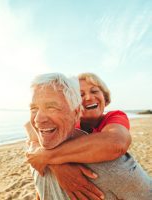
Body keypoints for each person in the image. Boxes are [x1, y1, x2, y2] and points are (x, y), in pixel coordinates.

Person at [26, 72, 152, 200]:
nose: (88, 97)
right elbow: (30, 127)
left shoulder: (113, 117)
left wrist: (47, 156)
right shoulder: (67, 126)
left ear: (105, 97)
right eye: (81, 94)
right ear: (75, 106)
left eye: (94, 91)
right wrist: (57, 165)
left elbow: (116, 142)